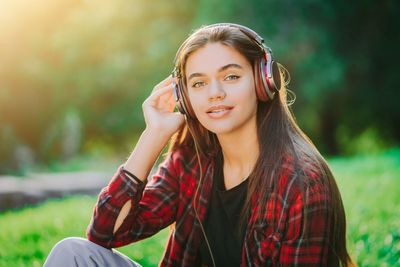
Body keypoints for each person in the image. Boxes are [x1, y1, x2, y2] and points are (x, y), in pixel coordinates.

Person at [44, 23, 353, 266]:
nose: (214, 93)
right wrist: (154, 134)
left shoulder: (302, 183)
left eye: (231, 77)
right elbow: (105, 232)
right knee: (71, 254)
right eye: (199, 83)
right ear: (186, 98)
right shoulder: (190, 160)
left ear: (263, 81)